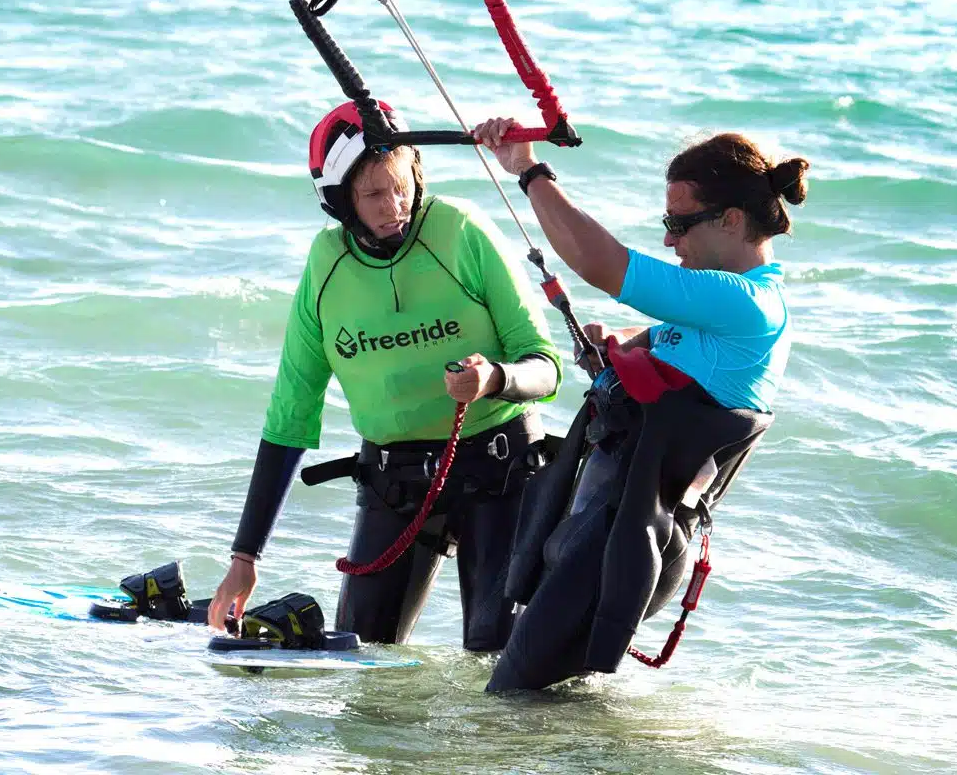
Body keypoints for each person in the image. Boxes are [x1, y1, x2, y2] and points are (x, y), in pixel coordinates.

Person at [206, 101, 563, 652]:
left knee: (498, 660)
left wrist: (494, 378)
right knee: (362, 657)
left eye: (401, 187)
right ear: (339, 198)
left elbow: (544, 363)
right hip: (394, 481)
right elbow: (289, 415)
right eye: (374, 194)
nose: (394, 206)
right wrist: (244, 558)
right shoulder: (326, 268)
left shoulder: (460, 230)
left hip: (502, 469)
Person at [472, 117, 810, 688]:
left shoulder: (749, 303)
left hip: (624, 545)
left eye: (678, 223)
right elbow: (672, 367)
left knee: (511, 701)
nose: (669, 240)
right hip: (601, 531)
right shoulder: (714, 312)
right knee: (544, 706)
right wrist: (621, 361)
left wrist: (529, 170)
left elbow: (603, 264)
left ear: (730, 220)